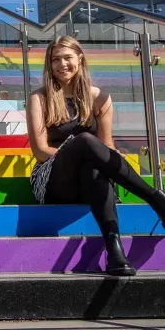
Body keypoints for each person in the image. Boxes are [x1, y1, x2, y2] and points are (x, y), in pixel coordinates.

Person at [27, 36, 165, 276]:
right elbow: (39, 152)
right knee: (85, 142)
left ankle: (115, 252)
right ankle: (155, 198)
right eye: (55, 60)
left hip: (90, 180)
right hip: (52, 180)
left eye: (67, 58)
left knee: (95, 166)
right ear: (49, 65)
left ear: (80, 59)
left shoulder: (99, 98)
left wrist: (97, 154)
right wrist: (78, 150)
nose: (62, 65)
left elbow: (107, 145)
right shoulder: (39, 98)